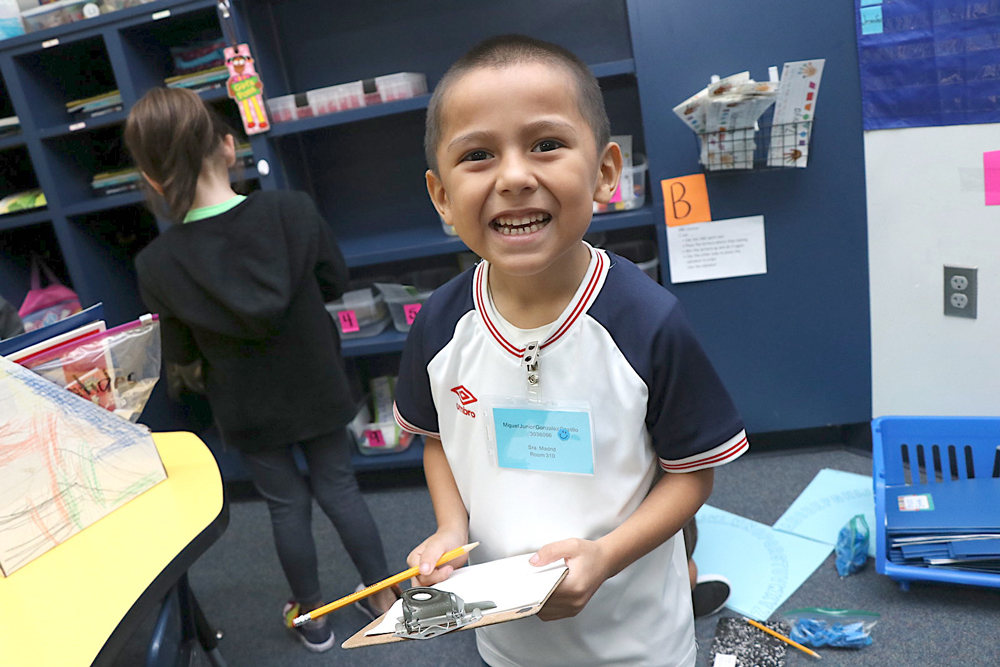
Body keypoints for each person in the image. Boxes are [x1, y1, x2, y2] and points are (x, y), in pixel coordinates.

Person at [392, 35, 749, 667]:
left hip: (636, 638)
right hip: (506, 636)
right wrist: (450, 528)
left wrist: (607, 556)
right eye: (477, 155)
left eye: (546, 144)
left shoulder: (647, 322)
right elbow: (437, 439)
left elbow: (692, 473)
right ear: (442, 196)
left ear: (606, 171)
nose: (514, 176)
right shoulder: (439, 325)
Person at [124, 87, 398, 653]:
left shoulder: (157, 263)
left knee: (284, 505)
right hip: (316, 381)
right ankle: (383, 596)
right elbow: (333, 282)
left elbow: (180, 354)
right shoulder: (291, 209)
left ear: (152, 178)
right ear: (228, 147)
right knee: (340, 488)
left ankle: (313, 616)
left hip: (245, 402)